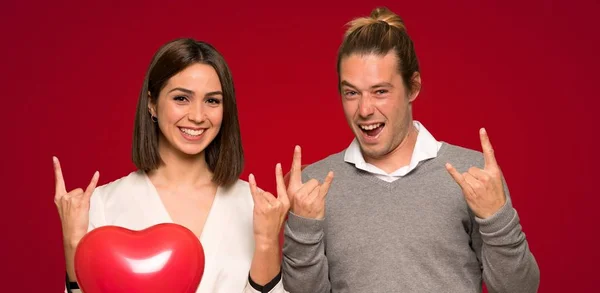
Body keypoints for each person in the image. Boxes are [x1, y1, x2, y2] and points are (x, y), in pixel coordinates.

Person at [281, 7, 540, 293]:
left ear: (413, 87)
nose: (364, 110)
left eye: (381, 91)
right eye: (351, 93)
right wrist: (303, 228)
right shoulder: (314, 186)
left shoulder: (473, 174)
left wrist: (497, 219)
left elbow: (520, 288)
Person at [54, 38, 290, 293]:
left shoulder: (253, 205)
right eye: (181, 98)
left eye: (212, 101)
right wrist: (72, 242)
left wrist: (267, 242)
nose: (198, 116)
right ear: (152, 103)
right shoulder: (103, 204)